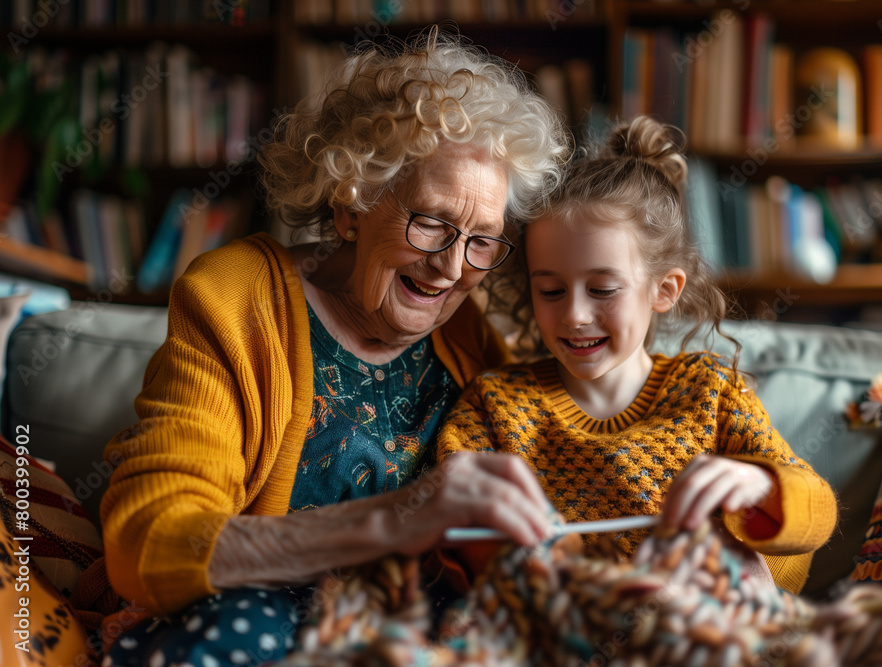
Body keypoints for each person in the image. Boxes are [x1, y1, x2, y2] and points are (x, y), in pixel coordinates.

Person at [99, 28, 569, 667]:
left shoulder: (470, 339)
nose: (453, 267)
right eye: (430, 222)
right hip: (257, 612)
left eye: (481, 240)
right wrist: (391, 520)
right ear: (351, 206)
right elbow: (148, 541)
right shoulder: (237, 297)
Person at [436, 115, 838, 594]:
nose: (575, 315)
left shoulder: (709, 391)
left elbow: (815, 517)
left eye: (603, 289)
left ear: (663, 290)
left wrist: (762, 488)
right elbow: (458, 535)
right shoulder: (496, 404)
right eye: (551, 291)